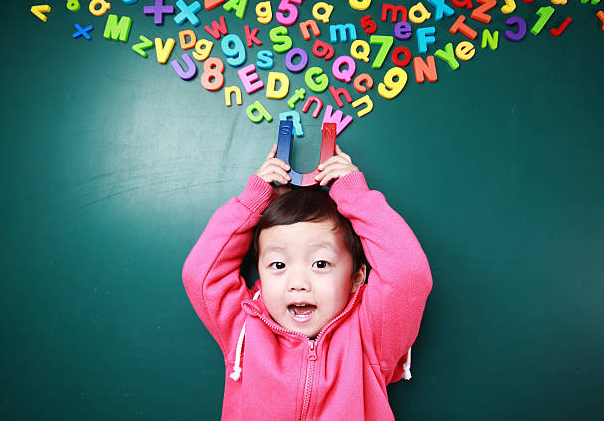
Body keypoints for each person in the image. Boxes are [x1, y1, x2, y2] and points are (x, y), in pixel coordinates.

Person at [182, 142, 433, 420]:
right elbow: (201, 274)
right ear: (261, 276)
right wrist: (252, 201)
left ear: (356, 278)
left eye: (321, 264)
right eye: (278, 265)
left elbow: (408, 274)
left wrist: (355, 196)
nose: (298, 282)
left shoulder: (370, 335)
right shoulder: (243, 327)